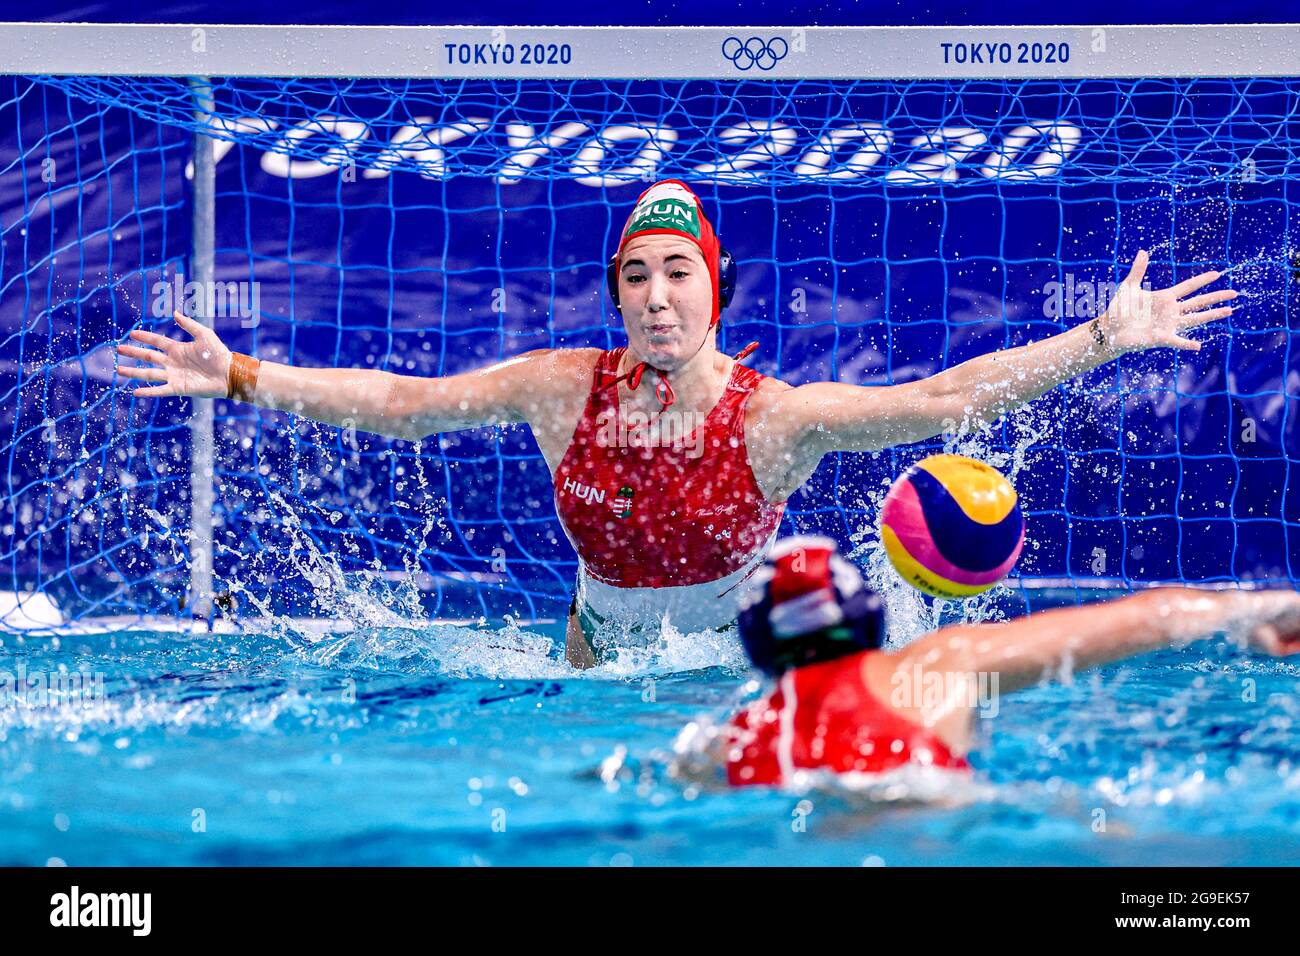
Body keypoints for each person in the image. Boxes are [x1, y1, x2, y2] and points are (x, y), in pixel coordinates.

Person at [114, 179, 1238, 667]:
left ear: (714, 288)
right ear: (618, 295)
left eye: (677, 275)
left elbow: (944, 398)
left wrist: (1102, 334)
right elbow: (406, 406)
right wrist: (243, 375)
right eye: (636, 276)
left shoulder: (775, 421)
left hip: (724, 665)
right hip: (591, 661)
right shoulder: (563, 389)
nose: (656, 295)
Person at [702, 537, 1300, 788]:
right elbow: (1160, 615)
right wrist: (1258, 613)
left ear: (757, 643)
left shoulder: (728, 742)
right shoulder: (935, 665)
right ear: (868, 613)